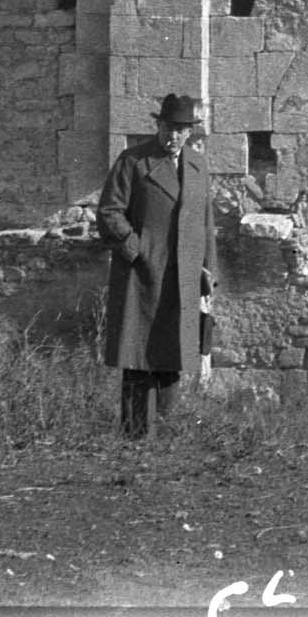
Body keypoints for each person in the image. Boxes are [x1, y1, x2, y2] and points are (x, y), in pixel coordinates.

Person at [97, 93, 217, 438]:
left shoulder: (198, 165)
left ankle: (165, 434)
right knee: (138, 354)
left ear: (190, 132)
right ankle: (135, 436)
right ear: (158, 126)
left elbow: (206, 222)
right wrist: (137, 250)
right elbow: (109, 212)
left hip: (184, 275)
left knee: (174, 353)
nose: (173, 136)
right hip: (142, 274)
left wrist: (209, 272)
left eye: (181, 130)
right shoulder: (133, 161)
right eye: (168, 127)